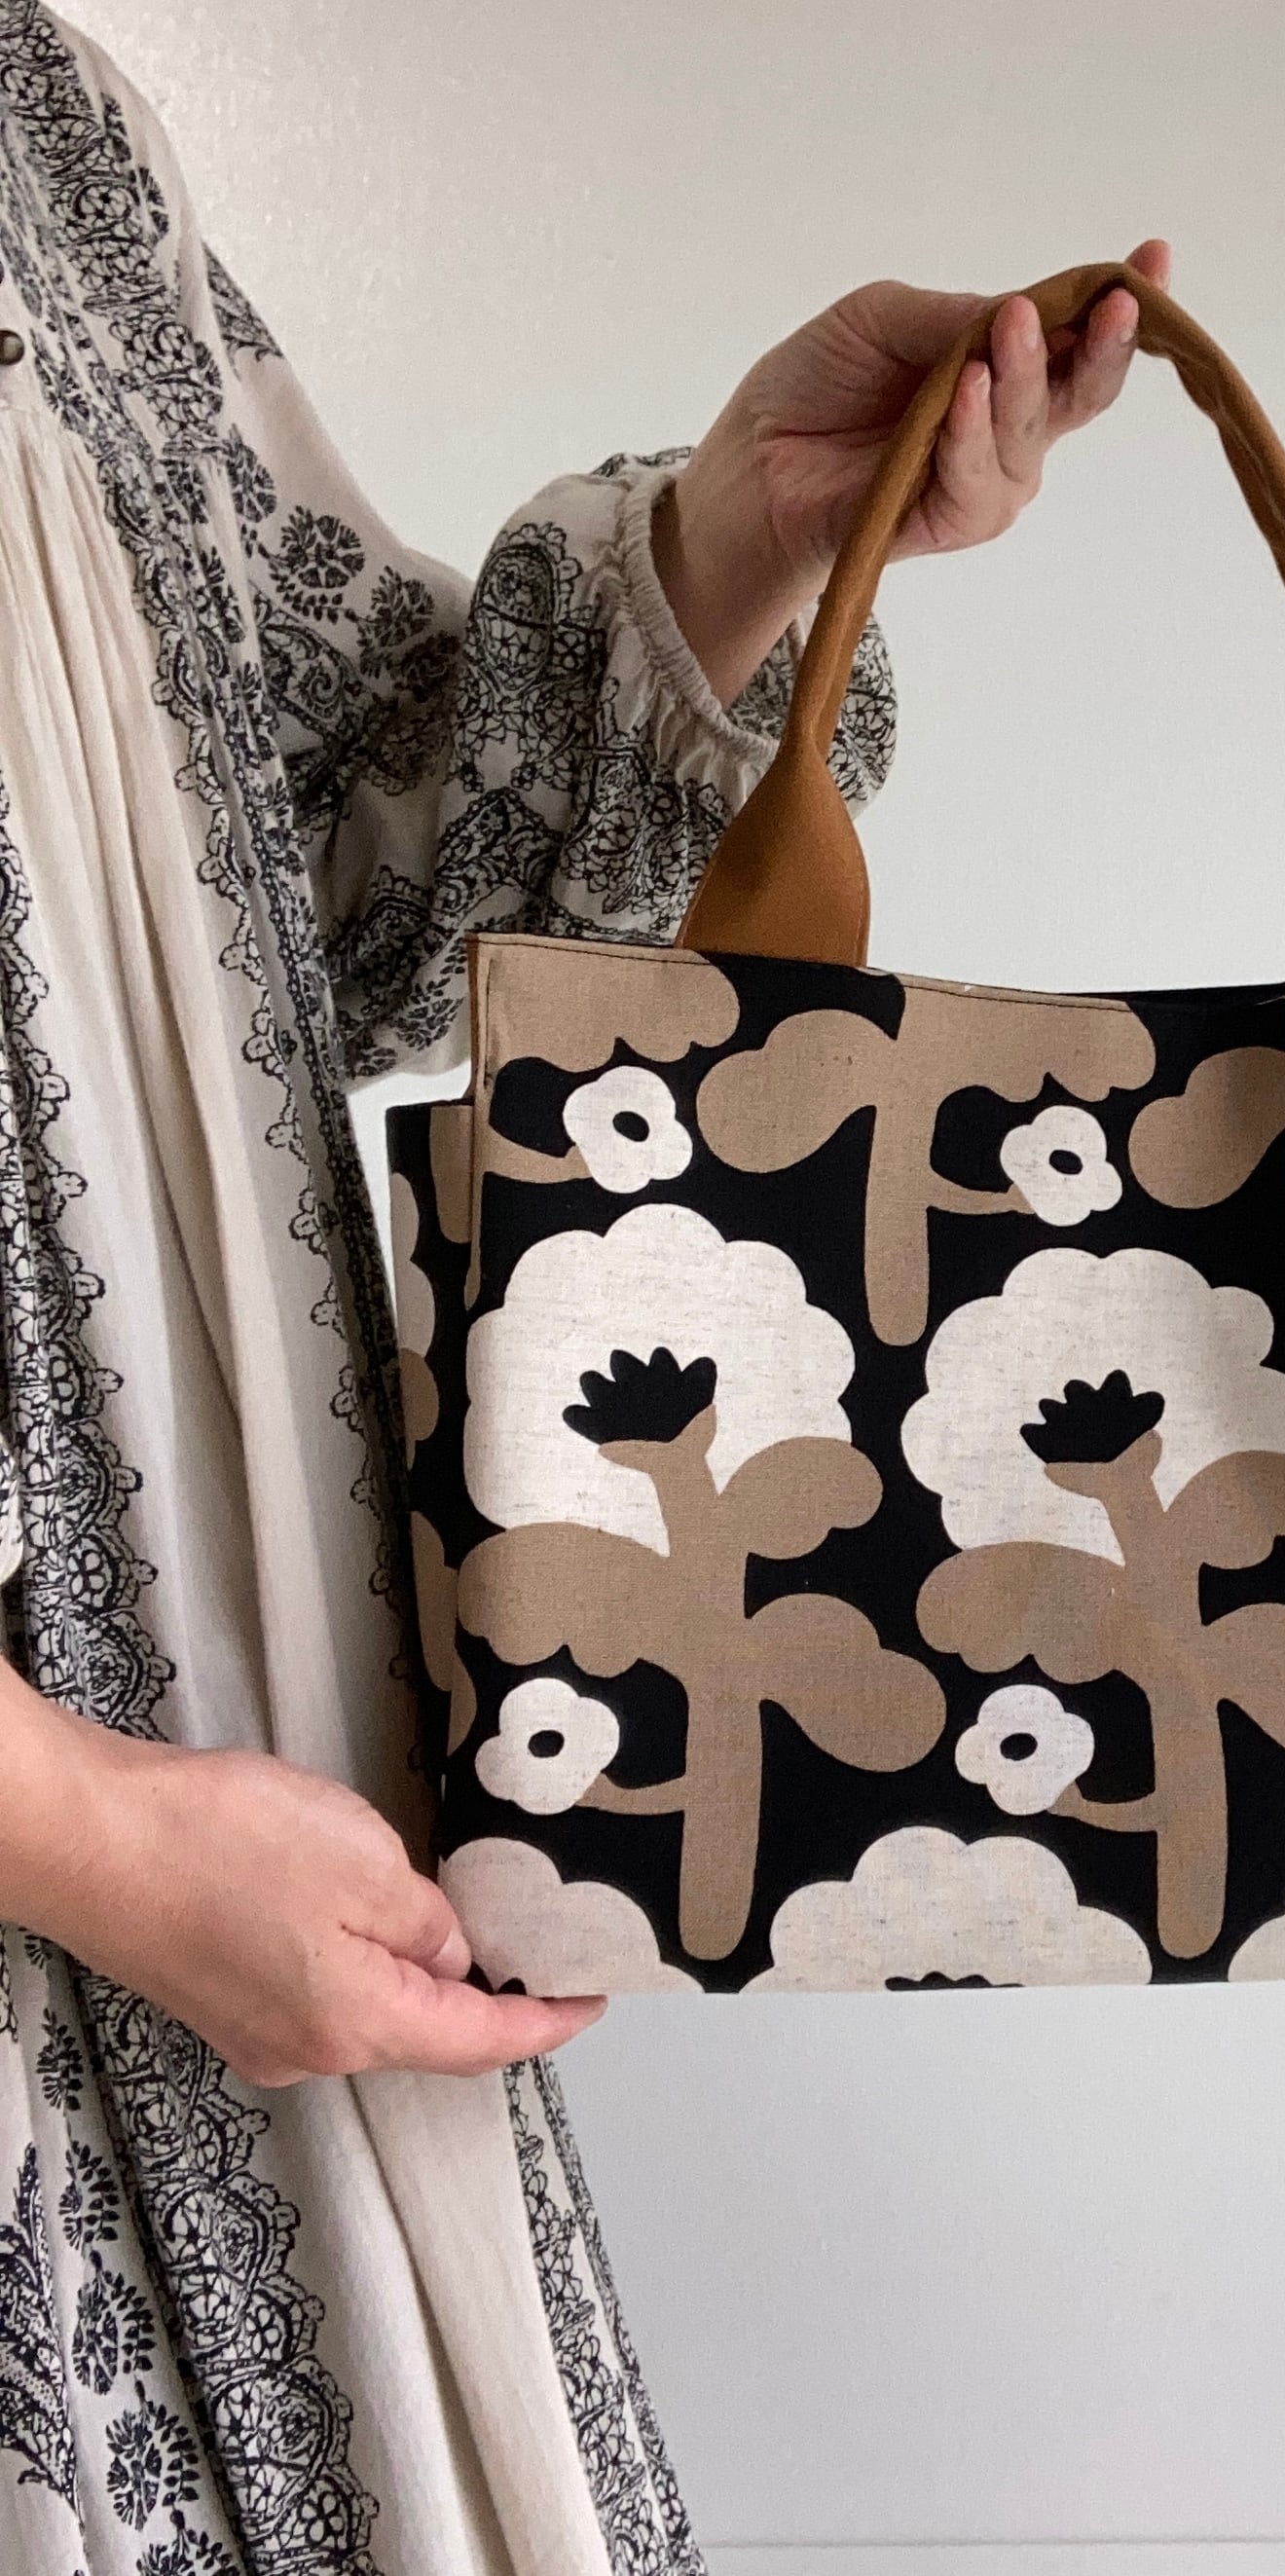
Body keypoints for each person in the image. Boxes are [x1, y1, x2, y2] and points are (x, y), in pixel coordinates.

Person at [0, 9, 1170, 2569]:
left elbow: (296, 878)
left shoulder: (36, 126)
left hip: (243, 1800)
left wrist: (737, 542)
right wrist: (72, 1832)